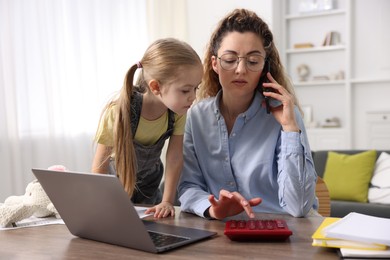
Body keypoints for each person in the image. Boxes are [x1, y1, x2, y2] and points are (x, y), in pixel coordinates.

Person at [178, 9, 318, 220]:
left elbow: (299, 207)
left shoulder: (286, 115)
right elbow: (189, 185)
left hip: (282, 232)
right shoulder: (196, 116)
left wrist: (290, 129)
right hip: (220, 232)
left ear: (264, 67)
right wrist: (211, 209)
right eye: (230, 59)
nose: (241, 69)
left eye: (253, 61)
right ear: (215, 64)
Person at [92, 38, 203, 218]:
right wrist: (103, 202)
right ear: (156, 87)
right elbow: (99, 168)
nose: (193, 98)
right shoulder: (119, 112)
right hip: (116, 185)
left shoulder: (178, 113)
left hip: (150, 185)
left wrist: (167, 201)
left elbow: (174, 157)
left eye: (196, 89)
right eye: (185, 91)